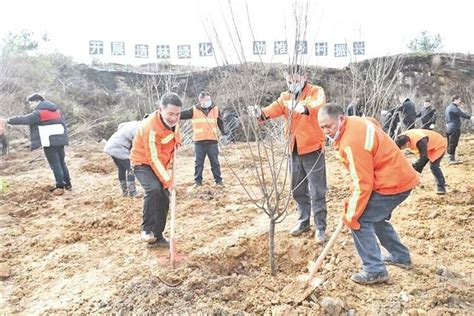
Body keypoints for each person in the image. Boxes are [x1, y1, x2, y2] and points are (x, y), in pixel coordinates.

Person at [318, 103, 419, 285]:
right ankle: (400, 256)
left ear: (341, 118)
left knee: (360, 220)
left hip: (392, 182)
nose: (326, 131)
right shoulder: (355, 121)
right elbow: (373, 122)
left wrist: (351, 214)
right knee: (375, 217)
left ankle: (375, 270)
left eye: (329, 126)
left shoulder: (350, 142)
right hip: (398, 176)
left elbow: (363, 183)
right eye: (322, 127)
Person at [252, 64, 328, 243]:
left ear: (304, 77)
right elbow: (271, 110)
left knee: (317, 190)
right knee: (297, 189)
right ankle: (303, 221)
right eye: (289, 81)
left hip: (313, 148)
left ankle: (320, 227)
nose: (292, 84)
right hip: (293, 149)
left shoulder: (315, 91)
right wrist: (259, 113)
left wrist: (303, 107)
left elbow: (318, 106)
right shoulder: (284, 97)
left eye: (295, 80)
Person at [130, 92, 182, 247]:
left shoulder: (174, 122)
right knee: (154, 190)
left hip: (160, 163)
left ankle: (157, 237)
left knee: (165, 197)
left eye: (177, 114)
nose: (174, 118)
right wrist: (168, 180)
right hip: (143, 163)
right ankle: (147, 230)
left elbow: (175, 133)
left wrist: (177, 142)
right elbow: (153, 158)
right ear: (161, 109)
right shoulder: (150, 128)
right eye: (170, 114)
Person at [5, 93, 71, 194]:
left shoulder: (39, 113)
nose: (31, 106)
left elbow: (25, 119)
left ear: (38, 102)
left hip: (49, 141)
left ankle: (60, 186)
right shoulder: (56, 111)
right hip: (61, 140)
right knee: (62, 162)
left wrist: (8, 120)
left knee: (55, 164)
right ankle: (68, 184)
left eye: (31, 104)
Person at [180, 91, 226, 187]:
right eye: (207, 99)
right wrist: (171, 114)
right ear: (200, 100)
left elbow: (220, 122)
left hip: (212, 141)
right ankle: (198, 182)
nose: (209, 101)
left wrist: (224, 134)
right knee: (198, 163)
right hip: (199, 142)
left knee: (215, 163)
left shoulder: (215, 109)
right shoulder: (193, 110)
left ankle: (218, 181)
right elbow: (181, 115)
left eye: (209, 99)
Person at [395, 130, 447, 194]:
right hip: (428, 145)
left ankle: (441, 186)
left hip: (438, 145)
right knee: (417, 166)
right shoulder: (401, 137)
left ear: (407, 144)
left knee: (434, 166)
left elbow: (423, 157)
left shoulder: (420, 141)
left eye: (403, 148)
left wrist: (414, 166)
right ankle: (413, 183)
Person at [104, 119, 142, 197]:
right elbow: (136, 143)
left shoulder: (133, 123)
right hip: (119, 148)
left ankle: (125, 192)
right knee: (131, 168)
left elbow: (120, 126)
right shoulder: (140, 128)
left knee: (121, 169)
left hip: (111, 146)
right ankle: (132, 192)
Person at [444, 95, 473, 164]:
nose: (460, 101)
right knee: (453, 143)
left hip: (448, 127)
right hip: (454, 128)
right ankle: (452, 159)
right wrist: (470, 117)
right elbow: (461, 114)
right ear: (455, 100)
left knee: (449, 143)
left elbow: (446, 117)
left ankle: (449, 157)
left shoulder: (448, 107)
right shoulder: (454, 108)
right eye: (459, 100)